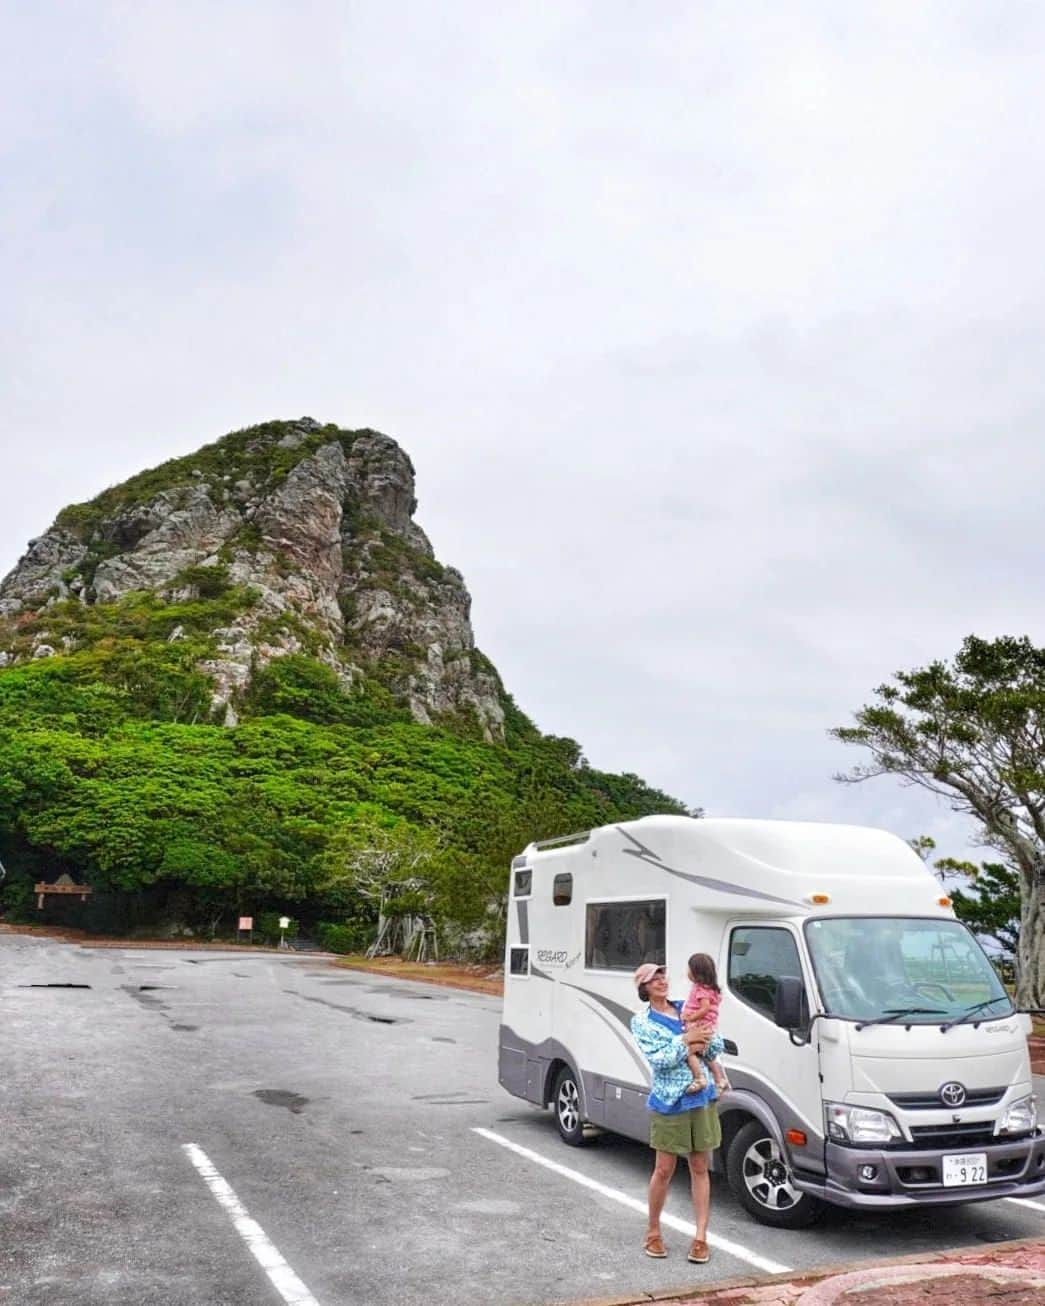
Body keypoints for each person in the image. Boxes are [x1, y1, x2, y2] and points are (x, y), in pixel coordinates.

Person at [630, 961, 722, 1264]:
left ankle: (701, 1238)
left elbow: (714, 1042)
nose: (661, 981)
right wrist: (686, 1039)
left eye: (663, 975)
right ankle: (653, 1232)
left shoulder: (686, 1007)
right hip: (670, 1101)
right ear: (643, 987)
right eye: (654, 978)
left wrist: (694, 1040)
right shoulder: (641, 1022)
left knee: (699, 1167)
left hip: (702, 1098)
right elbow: (661, 1060)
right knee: (664, 1170)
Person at [681, 952, 730, 1095]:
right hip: (707, 1027)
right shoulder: (711, 989)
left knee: (689, 1052)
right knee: (707, 1056)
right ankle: (719, 1079)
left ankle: (699, 1078)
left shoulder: (701, 990)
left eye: (689, 969)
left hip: (700, 1027)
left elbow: (705, 1008)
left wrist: (690, 1018)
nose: (687, 972)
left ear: (697, 972)